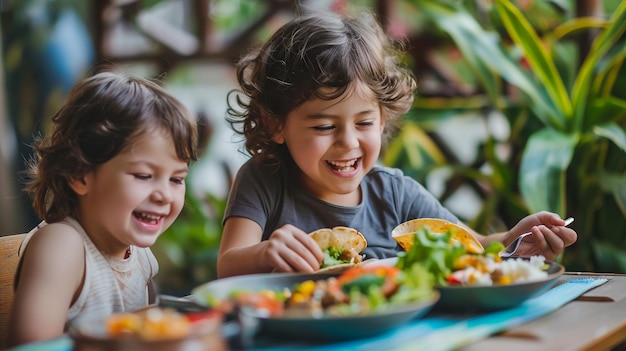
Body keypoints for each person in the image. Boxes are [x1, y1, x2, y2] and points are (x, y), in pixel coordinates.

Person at [217, 12, 577, 278]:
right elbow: (228, 263)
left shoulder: (395, 193)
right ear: (275, 123)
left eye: (364, 123)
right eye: (325, 126)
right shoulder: (264, 180)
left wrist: (515, 243)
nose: (349, 142)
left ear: (383, 119)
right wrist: (266, 253)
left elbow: (473, 246)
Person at [8, 71, 198, 347]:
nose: (164, 195)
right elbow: (32, 348)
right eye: (144, 176)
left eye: (177, 179)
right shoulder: (62, 246)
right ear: (80, 174)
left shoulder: (138, 253)